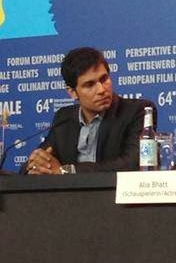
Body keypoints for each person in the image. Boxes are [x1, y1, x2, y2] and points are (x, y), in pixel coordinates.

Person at [23, 47, 156, 174]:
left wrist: (67, 171)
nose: (101, 90)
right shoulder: (64, 117)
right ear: (73, 93)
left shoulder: (137, 111)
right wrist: (36, 165)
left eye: (104, 79)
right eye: (89, 84)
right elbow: (35, 163)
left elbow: (134, 163)